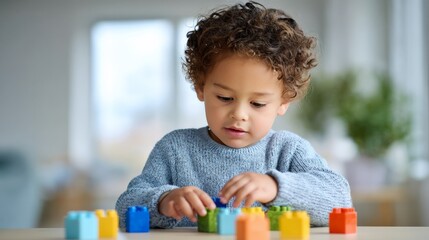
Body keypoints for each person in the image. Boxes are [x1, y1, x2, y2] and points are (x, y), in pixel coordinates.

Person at [116, 1, 352, 229]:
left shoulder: (288, 150)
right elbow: (125, 208)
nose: (239, 114)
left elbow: (339, 198)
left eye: (257, 103)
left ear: (284, 101)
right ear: (201, 87)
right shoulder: (175, 149)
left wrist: (276, 187)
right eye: (225, 98)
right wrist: (164, 200)